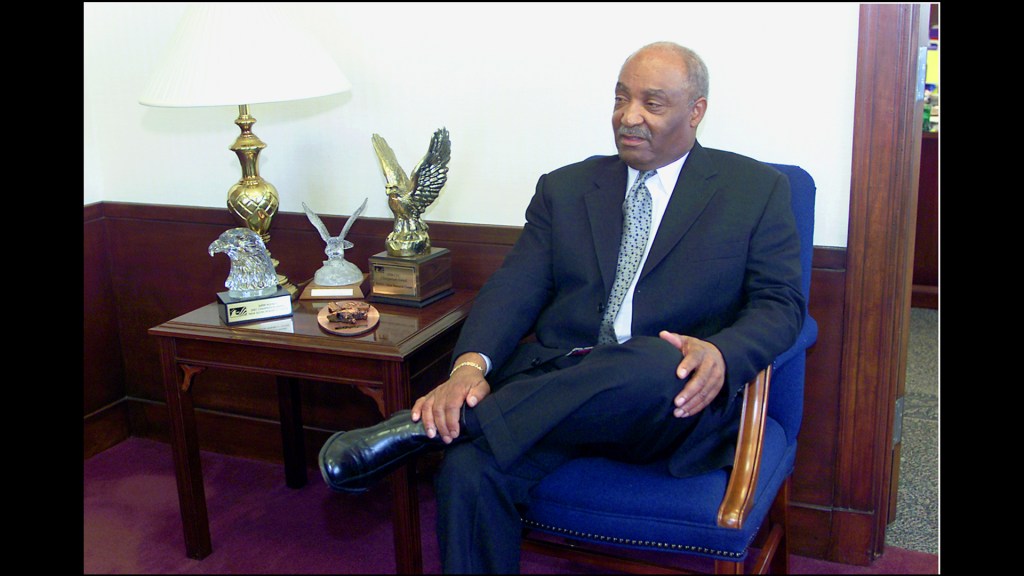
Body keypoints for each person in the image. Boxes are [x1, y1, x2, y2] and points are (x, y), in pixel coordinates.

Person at [320, 41, 805, 573]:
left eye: (652, 103)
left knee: (655, 359)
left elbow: (781, 304)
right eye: (621, 98)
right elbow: (514, 287)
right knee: (467, 470)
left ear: (696, 111)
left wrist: (722, 352)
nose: (629, 116)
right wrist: (466, 369)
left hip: (668, 401)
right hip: (559, 389)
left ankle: (421, 430)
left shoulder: (755, 190)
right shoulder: (567, 188)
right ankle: (458, 427)